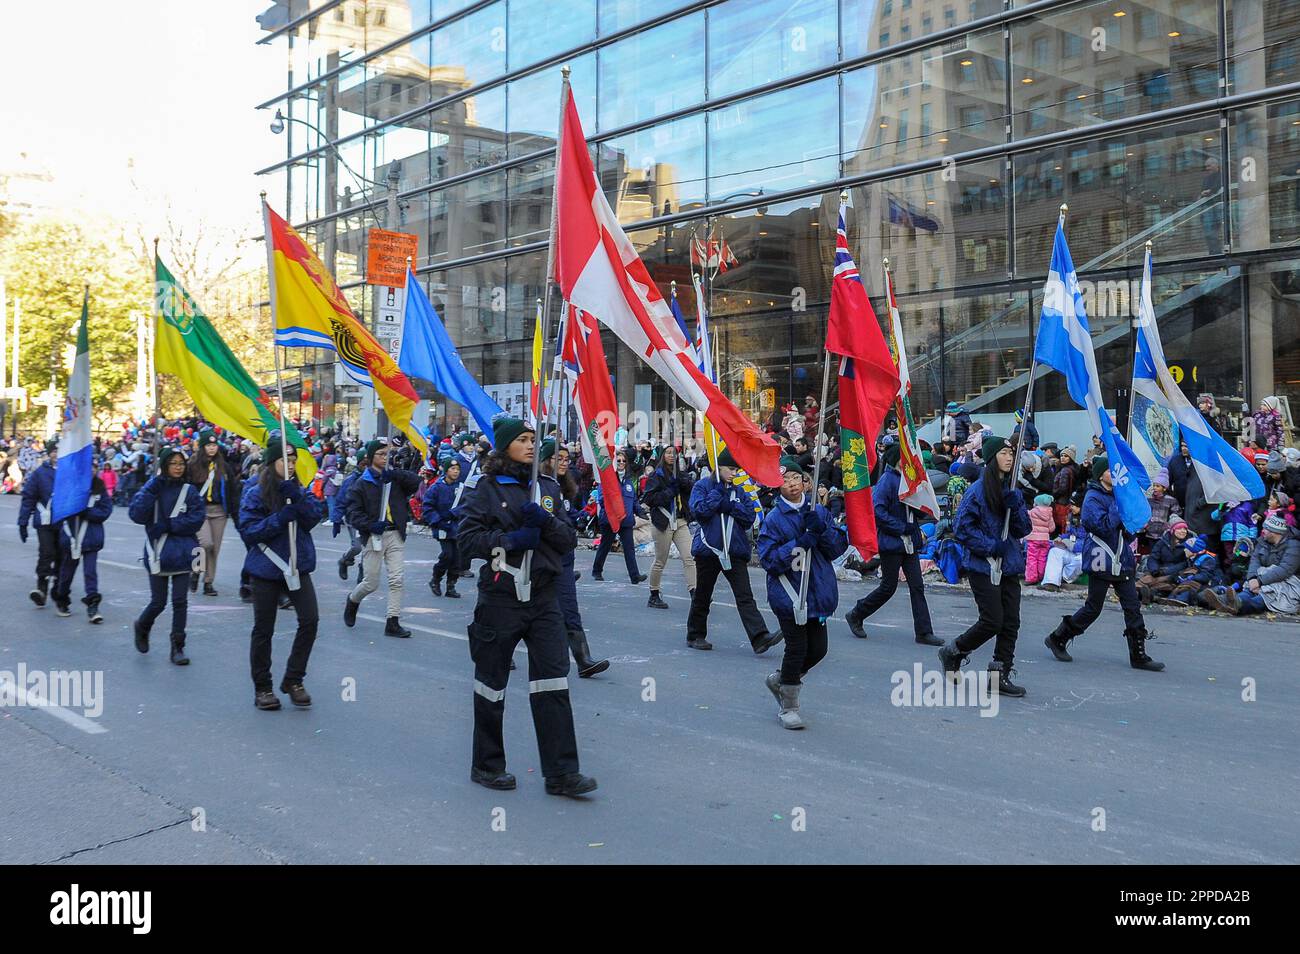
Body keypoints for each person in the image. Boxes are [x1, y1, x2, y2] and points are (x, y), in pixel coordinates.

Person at [457, 417, 597, 797]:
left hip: (544, 597)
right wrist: (512, 539)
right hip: (501, 598)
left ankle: (562, 773)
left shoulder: (547, 488)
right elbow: (467, 540)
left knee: (552, 682)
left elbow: (569, 539)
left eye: (534, 439)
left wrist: (546, 522)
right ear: (505, 447)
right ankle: (487, 765)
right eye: (522, 439)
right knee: (491, 686)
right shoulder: (485, 489)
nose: (532, 445)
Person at [1043, 456, 1164, 671]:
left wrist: (1133, 523)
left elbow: (1124, 530)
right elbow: (1101, 526)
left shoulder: (1119, 495)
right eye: (1110, 470)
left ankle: (1138, 654)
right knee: (1093, 607)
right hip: (1101, 557)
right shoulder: (1093, 498)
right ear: (1101, 474)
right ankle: (1058, 637)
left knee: (1132, 606)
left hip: (1121, 557)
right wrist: (1118, 507)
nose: (1116, 473)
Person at [938, 436, 1032, 697]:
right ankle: (954, 651)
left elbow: (1025, 528)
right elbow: (961, 528)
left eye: (1011, 453)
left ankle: (999, 675)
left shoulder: (1012, 488)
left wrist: (1017, 509)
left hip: (1009, 565)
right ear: (992, 458)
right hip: (983, 565)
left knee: (1011, 622)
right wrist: (991, 546)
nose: (1009, 457)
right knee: (992, 620)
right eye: (1003, 453)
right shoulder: (978, 490)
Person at [758, 458, 848, 729]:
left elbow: (836, 548)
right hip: (790, 594)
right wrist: (799, 543)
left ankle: (783, 679)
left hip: (817, 591)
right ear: (777, 486)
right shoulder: (774, 519)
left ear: (805, 482)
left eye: (796, 478)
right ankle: (789, 706)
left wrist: (821, 532)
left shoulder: (818, 511)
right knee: (797, 648)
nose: (792, 484)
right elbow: (769, 560)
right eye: (785, 481)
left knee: (818, 650)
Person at [237, 437, 324, 710]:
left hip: (297, 566)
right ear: (271, 462)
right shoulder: (254, 493)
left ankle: (294, 679)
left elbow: (314, 517)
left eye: (294, 460)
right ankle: (262, 687)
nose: (291, 465)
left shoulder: (299, 489)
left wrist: (297, 498)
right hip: (266, 568)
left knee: (310, 621)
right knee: (264, 630)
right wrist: (279, 518)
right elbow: (249, 531)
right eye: (284, 460)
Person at [844, 442, 941, 645]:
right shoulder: (888, 480)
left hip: (910, 542)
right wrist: (900, 527)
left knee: (917, 586)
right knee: (888, 587)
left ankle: (924, 631)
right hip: (892, 542)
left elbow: (915, 508)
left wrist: (922, 508)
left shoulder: (910, 481)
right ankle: (857, 613)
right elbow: (878, 511)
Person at [686, 448, 781, 654]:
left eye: (736, 470)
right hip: (709, 550)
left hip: (734, 550)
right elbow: (699, 511)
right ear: (719, 467)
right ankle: (695, 634)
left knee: (745, 595)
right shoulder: (703, 486)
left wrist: (731, 507)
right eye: (730, 469)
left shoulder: (739, 491)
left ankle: (759, 637)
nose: (734, 473)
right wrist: (717, 495)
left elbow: (749, 518)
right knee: (703, 594)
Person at [539, 438, 609, 677]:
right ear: (546, 460)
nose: (563, 463)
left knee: (570, 610)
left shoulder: (568, 487)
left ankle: (583, 660)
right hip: (541, 559)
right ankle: (502, 652)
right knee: (522, 612)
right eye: (557, 458)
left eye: (567, 459)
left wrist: (581, 516)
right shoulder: (537, 487)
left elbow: (568, 515)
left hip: (564, 560)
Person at [129, 447, 205, 664]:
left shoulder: (189, 491)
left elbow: (196, 519)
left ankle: (178, 647)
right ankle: (142, 626)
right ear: (164, 466)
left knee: (180, 601)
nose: (178, 467)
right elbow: (136, 514)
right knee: (158, 602)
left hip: (182, 552)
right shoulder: (153, 488)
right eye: (173, 463)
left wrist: (169, 525)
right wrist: (151, 490)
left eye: (181, 463)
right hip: (158, 552)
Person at [342, 439, 421, 638]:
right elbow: (352, 513)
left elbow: (416, 482)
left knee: (397, 579)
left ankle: (392, 622)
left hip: (396, 534)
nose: (385, 458)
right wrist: (370, 525)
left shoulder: (393, 478)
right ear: (370, 458)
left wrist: (395, 474)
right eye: (381, 454)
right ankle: (352, 600)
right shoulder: (361, 484)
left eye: (387, 454)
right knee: (371, 582)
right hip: (374, 537)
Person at [1202, 515, 1300, 615]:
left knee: (1263, 599)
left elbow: (1285, 570)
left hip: (1285, 583)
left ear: (1274, 532)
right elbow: (1254, 560)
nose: (1262, 531)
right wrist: (1253, 578)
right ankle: (1226, 602)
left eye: (1265, 529)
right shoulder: (1262, 541)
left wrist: (1260, 581)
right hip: (1262, 578)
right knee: (1248, 591)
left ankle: (1235, 605)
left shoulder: (1293, 545)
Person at [52, 475, 113, 622]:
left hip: (91, 537)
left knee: (90, 572)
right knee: (67, 572)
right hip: (72, 536)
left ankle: (92, 605)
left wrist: (87, 512)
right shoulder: (69, 485)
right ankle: (62, 598)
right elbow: (59, 508)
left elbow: (105, 511)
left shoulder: (99, 487)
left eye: (93, 465)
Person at [642, 445, 696, 609]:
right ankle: (654, 594)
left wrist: (686, 484)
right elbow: (649, 499)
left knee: (689, 557)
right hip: (663, 521)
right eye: (668, 453)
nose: (672, 456)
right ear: (662, 456)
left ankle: (695, 593)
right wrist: (669, 492)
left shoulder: (680, 475)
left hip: (680, 521)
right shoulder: (656, 476)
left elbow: (689, 492)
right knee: (660, 560)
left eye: (675, 453)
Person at [187, 429, 239, 597]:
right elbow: (186, 489)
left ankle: (209, 582)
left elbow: (232, 489)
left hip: (219, 511)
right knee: (205, 543)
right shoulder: (193, 465)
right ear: (202, 447)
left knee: (214, 548)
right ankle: (195, 570)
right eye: (208, 445)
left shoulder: (223, 466)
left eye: (214, 445)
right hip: (199, 510)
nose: (211, 448)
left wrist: (234, 511)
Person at [591, 449, 647, 584]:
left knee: (629, 548)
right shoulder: (607, 479)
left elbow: (633, 500)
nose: (621, 463)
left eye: (623, 461)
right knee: (605, 545)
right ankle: (597, 571)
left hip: (626, 520)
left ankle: (634, 576)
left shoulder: (629, 481)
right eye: (619, 461)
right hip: (610, 519)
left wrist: (640, 512)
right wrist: (612, 511)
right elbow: (602, 498)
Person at [18, 439, 61, 607]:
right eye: (54, 451)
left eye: (59, 451)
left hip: (65, 521)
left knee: (62, 556)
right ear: (49, 453)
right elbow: (29, 497)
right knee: (46, 552)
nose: (56, 455)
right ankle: (41, 589)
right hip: (45, 520)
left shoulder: (70, 471)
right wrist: (23, 522)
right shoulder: (39, 473)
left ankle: (58, 589)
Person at [423, 455, 466, 599]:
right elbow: (428, 507)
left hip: (457, 527)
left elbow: (467, 505)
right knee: (447, 555)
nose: (456, 472)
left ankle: (451, 586)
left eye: (458, 469)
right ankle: (436, 579)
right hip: (442, 527)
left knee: (458, 558)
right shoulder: (436, 487)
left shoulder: (461, 488)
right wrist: (438, 521)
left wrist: (455, 513)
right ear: (446, 470)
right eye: (453, 469)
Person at [1025, 493, 1055, 585]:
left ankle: (1031, 578)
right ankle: (1041, 576)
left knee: (1032, 558)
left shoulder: (1032, 512)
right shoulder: (1049, 513)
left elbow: (1026, 523)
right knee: (1042, 558)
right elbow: (1052, 528)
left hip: (1033, 539)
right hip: (1045, 539)